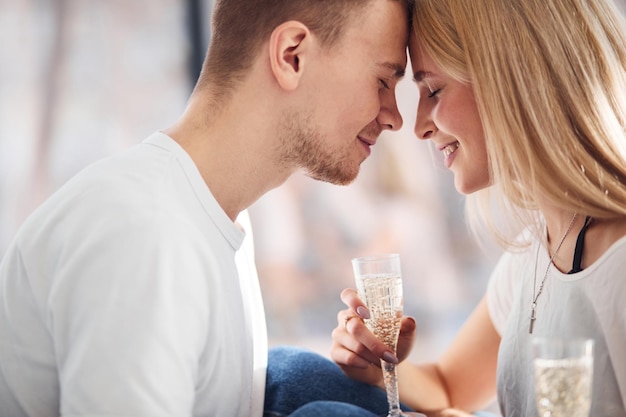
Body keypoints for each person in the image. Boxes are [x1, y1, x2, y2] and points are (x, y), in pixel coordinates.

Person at [0, 0, 413, 416]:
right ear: (292, 56)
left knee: (296, 377)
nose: (395, 116)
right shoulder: (145, 234)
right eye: (382, 80)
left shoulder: (213, 217)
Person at [265, 0, 626, 416]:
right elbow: (450, 390)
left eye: (433, 90)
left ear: (513, 79)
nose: (418, 126)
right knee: (289, 375)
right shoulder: (539, 247)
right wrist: (379, 365)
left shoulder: (616, 263)